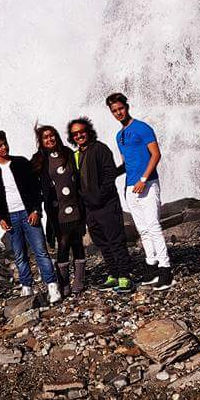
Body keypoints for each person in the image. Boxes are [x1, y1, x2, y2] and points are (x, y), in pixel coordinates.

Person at [0, 130, 61, 303]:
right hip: (10, 218)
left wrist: (36, 210)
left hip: (28, 213)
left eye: (5, 143)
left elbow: (36, 188)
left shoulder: (21, 163)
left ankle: (52, 286)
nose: (4, 147)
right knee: (19, 255)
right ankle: (27, 287)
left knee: (41, 251)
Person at [106, 93, 173, 291]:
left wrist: (143, 179)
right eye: (114, 111)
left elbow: (156, 154)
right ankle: (152, 267)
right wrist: (110, 175)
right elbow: (127, 163)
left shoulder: (142, 127)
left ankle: (166, 270)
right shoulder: (119, 136)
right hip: (130, 187)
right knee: (142, 229)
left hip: (148, 184)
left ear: (126, 107)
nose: (118, 113)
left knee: (153, 226)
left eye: (120, 108)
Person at [67, 116, 133, 294]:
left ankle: (125, 277)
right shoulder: (76, 155)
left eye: (82, 132)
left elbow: (110, 174)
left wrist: (100, 196)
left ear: (88, 131)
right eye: (75, 134)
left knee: (115, 240)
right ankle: (113, 274)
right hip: (89, 207)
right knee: (101, 241)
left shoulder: (100, 149)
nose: (79, 136)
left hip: (106, 204)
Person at [31, 125, 85, 296]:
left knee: (77, 242)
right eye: (45, 137)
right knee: (63, 242)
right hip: (56, 208)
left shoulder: (67, 153)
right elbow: (32, 187)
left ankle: (79, 281)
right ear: (41, 141)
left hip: (74, 204)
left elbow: (79, 176)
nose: (50, 139)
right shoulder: (38, 159)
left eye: (52, 135)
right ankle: (64, 283)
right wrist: (35, 208)